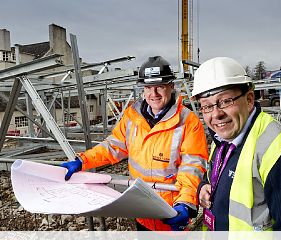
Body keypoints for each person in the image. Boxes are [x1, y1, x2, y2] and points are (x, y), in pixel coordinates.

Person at [61, 56, 208, 231]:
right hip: (142, 210)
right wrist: (82, 161)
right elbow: (113, 146)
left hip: (172, 213)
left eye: (160, 86)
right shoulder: (133, 116)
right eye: (148, 87)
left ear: (171, 86)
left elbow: (192, 166)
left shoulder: (188, 121)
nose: (153, 94)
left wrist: (185, 203)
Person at [193, 57, 281, 231]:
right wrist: (203, 187)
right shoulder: (223, 139)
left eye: (225, 101)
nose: (216, 114)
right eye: (206, 106)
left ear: (249, 99)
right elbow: (218, 178)